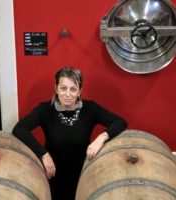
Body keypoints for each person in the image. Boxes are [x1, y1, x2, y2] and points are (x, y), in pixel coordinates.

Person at [12, 67, 127, 200]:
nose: (68, 94)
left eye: (73, 89)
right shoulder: (45, 109)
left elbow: (120, 122)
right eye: (63, 88)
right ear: (56, 88)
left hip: (83, 177)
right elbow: (20, 129)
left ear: (80, 91)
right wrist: (43, 154)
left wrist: (102, 137)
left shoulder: (90, 108)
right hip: (53, 175)